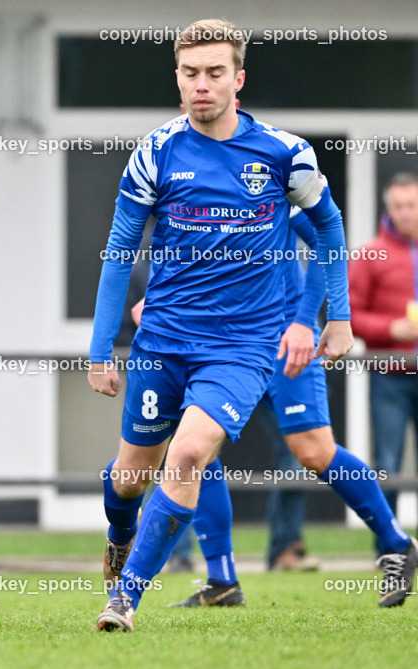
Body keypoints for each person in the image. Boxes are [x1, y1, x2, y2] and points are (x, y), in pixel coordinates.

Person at [89, 19, 359, 633]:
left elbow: (330, 228)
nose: (201, 85)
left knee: (186, 455)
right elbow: (118, 251)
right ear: (177, 78)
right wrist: (100, 348)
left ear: (238, 79)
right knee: (130, 476)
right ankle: (120, 536)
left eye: (215, 73)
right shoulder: (156, 152)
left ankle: (124, 600)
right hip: (162, 340)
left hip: (243, 346)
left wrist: (335, 316)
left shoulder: (284, 153)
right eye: (190, 74)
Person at [167, 208, 415, 608]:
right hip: (222, 344)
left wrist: (309, 320)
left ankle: (397, 544)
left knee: (312, 451)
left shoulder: (276, 165)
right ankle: (222, 581)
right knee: (198, 446)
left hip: (285, 339)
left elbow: (325, 240)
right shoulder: (190, 172)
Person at [349, 172, 418, 518]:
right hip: (388, 373)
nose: (405, 213)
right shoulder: (370, 255)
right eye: (398, 206)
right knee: (387, 461)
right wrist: (392, 328)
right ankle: (389, 545)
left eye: (411, 205)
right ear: (388, 209)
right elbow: (348, 316)